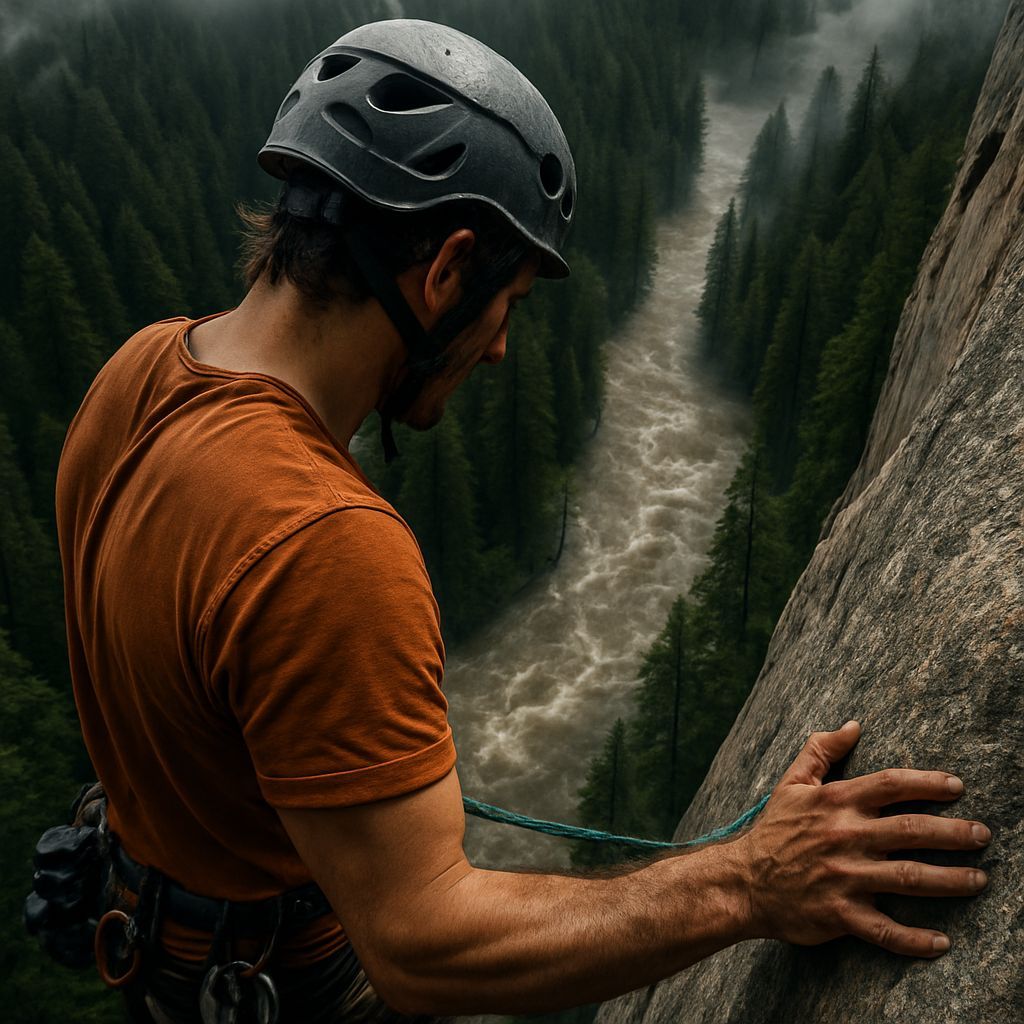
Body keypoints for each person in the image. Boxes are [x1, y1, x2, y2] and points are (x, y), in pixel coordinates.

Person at [51, 17, 991, 1024]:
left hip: (164, 962)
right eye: (509, 301)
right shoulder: (324, 546)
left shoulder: (141, 370)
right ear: (447, 268)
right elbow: (425, 945)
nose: (499, 348)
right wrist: (748, 881)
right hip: (299, 988)